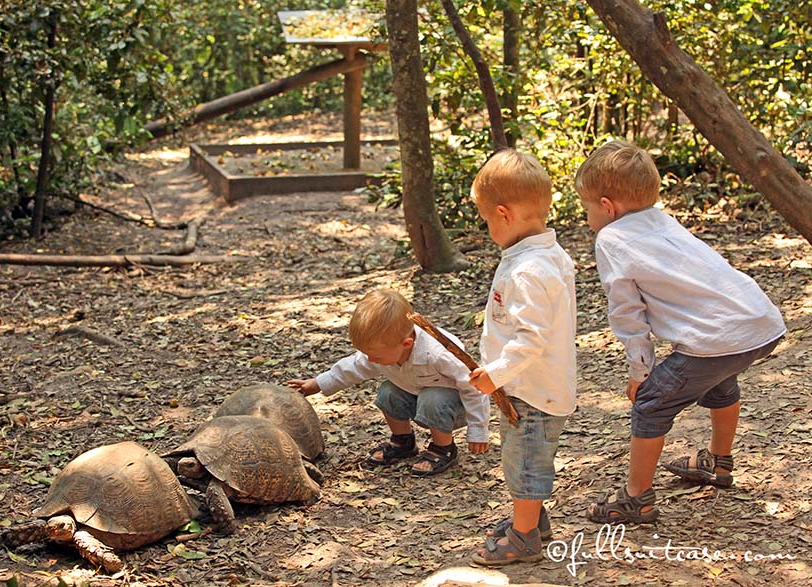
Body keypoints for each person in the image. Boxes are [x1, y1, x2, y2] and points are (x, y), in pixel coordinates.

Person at [575, 139, 786, 524]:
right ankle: (718, 462)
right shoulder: (663, 220)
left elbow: (628, 315)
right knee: (718, 379)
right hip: (758, 322)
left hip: (719, 336)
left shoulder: (611, 238)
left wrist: (640, 372)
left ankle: (636, 498)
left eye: (586, 207)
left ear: (607, 206)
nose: (587, 217)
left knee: (653, 401)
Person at [467, 149, 577, 566]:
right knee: (522, 458)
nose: (487, 226)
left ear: (503, 214)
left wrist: (495, 373)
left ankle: (525, 538)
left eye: (486, 219)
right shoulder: (544, 255)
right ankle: (533, 520)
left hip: (533, 391)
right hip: (529, 387)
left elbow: (531, 339)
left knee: (526, 463)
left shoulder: (528, 271)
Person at [287, 288, 490, 476]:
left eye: (375, 356)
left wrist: (478, 430)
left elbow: (473, 388)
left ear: (406, 344)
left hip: (455, 406)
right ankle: (403, 442)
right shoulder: (382, 351)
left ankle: (443, 448)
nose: (370, 360)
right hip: (418, 396)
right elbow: (351, 368)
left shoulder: (438, 354)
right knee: (388, 391)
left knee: (432, 397)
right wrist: (316, 384)